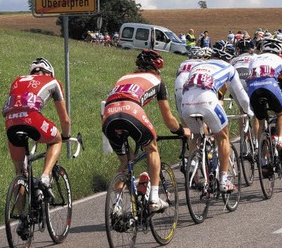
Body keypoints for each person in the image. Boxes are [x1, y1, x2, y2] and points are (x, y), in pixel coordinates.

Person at [102, 50, 187, 211]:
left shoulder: (123, 78)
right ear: (156, 69)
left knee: (126, 161)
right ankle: (154, 198)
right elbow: (168, 119)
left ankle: (117, 207)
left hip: (108, 116)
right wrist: (181, 131)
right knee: (152, 149)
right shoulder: (157, 80)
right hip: (131, 111)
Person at [181, 47, 253, 192]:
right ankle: (224, 180)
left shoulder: (197, 65)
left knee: (196, 136)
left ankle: (194, 163)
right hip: (207, 101)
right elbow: (241, 96)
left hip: (185, 104)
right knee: (223, 137)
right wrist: (248, 111)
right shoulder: (229, 68)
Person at [3, 57, 71, 200]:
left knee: (20, 173)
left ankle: (21, 218)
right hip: (31, 119)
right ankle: (45, 177)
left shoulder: (18, 80)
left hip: (10, 123)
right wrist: (65, 136)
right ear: (49, 73)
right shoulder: (53, 82)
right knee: (56, 140)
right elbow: (64, 119)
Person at [247, 39, 282, 166]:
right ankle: (280, 140)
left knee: (261, 122)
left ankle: (263, 159)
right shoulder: (281, 60)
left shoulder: (253, 59)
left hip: (253, 89)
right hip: (270, 86)